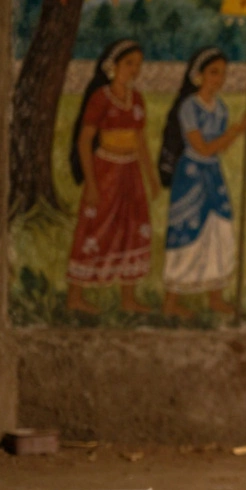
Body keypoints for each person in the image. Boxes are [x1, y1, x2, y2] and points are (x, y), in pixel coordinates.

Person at [159, 47, 246, 319]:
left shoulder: (221, 108)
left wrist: (236, 131)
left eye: (223, 74)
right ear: (198, 75)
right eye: (213, 72)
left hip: (213, 174)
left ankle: (215, 296)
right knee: (187, 232)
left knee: (218, 231)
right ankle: (172, 300)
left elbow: (219, 148)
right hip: (191, 174)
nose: (219, 79)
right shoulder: (189, 106)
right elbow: (201, 147)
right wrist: (238, 129)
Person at [65, 39, 160, 314]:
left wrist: (151, 177)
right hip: (106, 170)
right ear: (113, 65)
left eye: (138, 65)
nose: (134, 70)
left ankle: (128, 298)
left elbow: (140, 141)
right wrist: (91, 183)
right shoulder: (100, 98)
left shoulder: (137, 99)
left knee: (132, 228)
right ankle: (75, 296)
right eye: (129, 63)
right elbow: (84, 142)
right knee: (96, 227)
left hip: (130, 172)